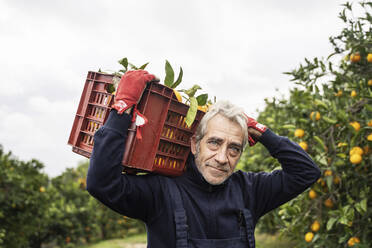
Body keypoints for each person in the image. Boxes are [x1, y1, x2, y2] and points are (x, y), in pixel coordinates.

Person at [87, 70, 321, 248]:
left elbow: (306, 172)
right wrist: (123, 107)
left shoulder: (250, 190)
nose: (222, 158)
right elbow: (102, 184)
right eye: (214, 142)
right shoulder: (161, 191)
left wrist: (263, 132)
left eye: (234, 149)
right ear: (194, 144)